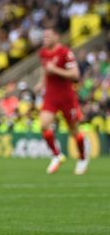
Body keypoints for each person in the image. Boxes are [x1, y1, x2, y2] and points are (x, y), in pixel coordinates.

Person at [36, 27, 87, 175]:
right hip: (51, 96)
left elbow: (75, 75)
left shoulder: (65, 52)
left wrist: (56, 70)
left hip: (66, 97)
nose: (45, 39)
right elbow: (44, 69)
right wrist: (41, 83)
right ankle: (57, 155)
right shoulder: (43, 53)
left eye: (48, 36)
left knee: (74, 130)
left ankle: (82, 158)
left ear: (56, 37)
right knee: (44, 125)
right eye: (44, 37)